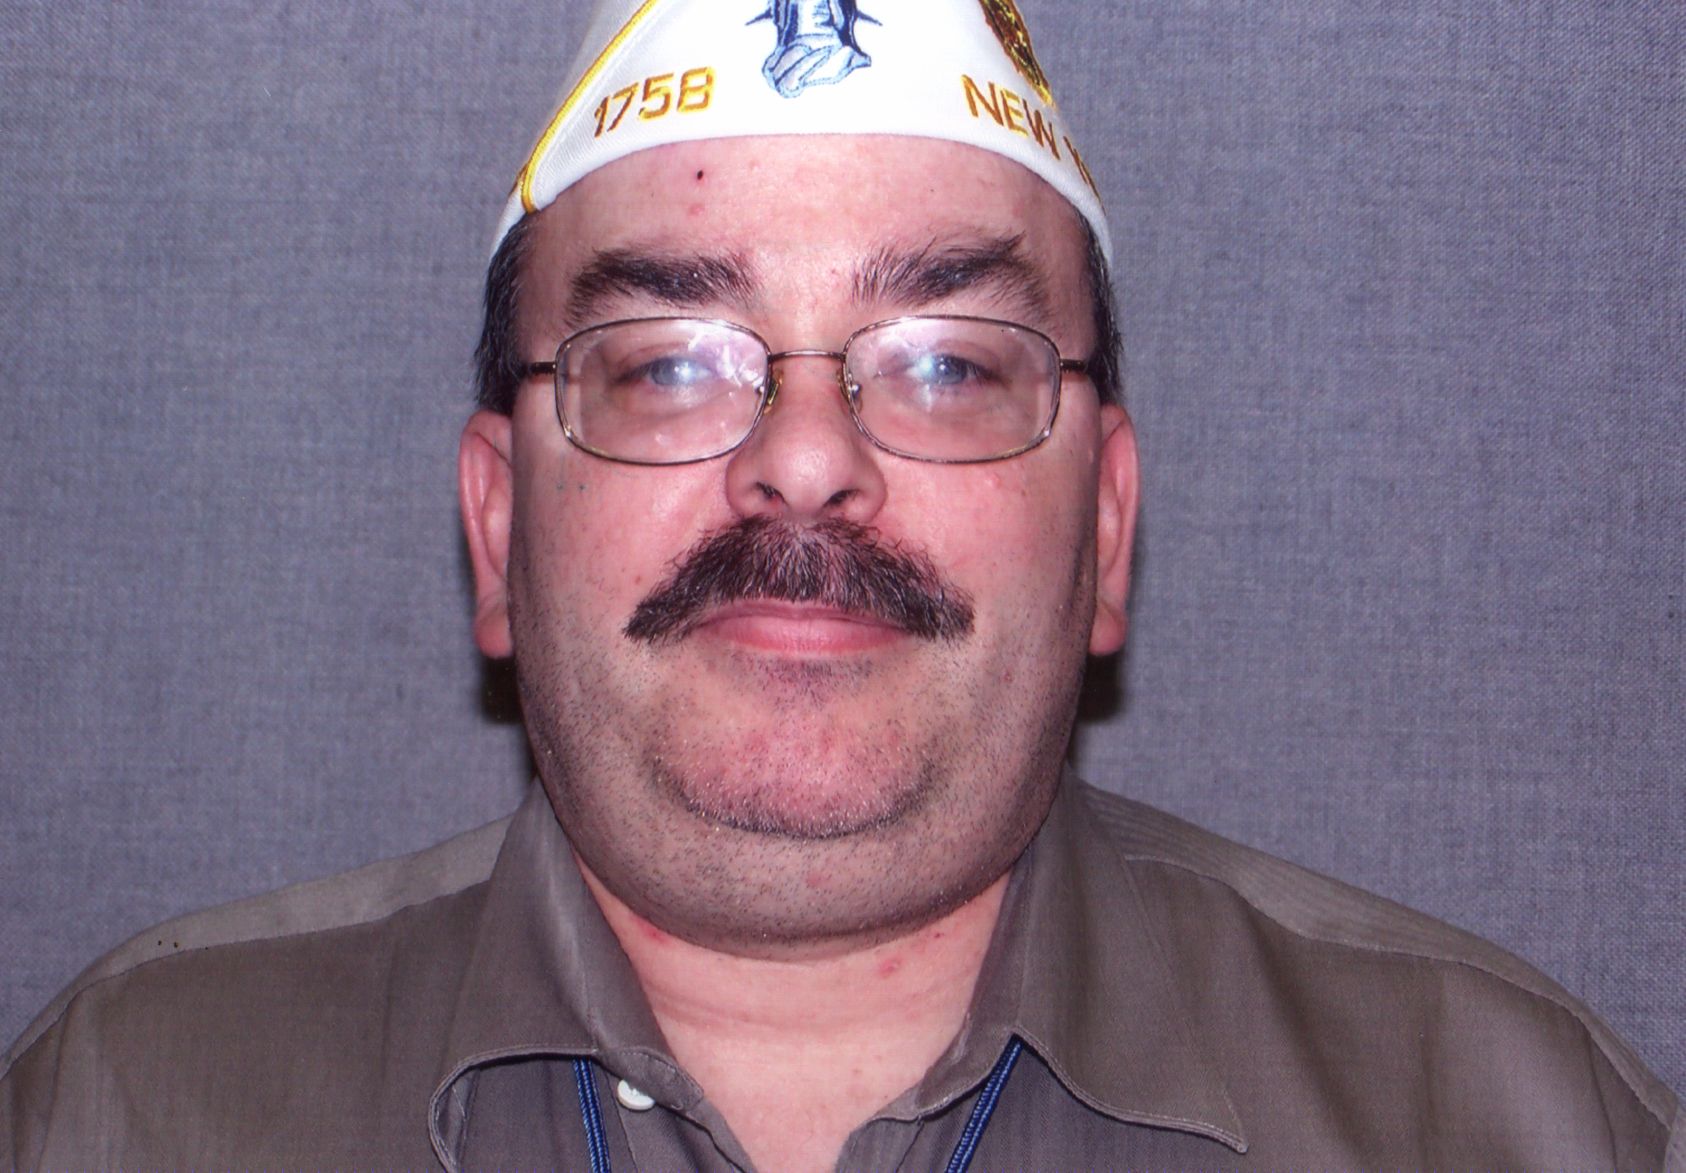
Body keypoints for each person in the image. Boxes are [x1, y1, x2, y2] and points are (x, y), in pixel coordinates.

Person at [3, 1, 1679, 1169]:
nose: (804, 460)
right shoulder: (120, 1114)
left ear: (1105, 530)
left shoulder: (1514, 1126)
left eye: (946, 363)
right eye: (666, 361)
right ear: (498, 529)